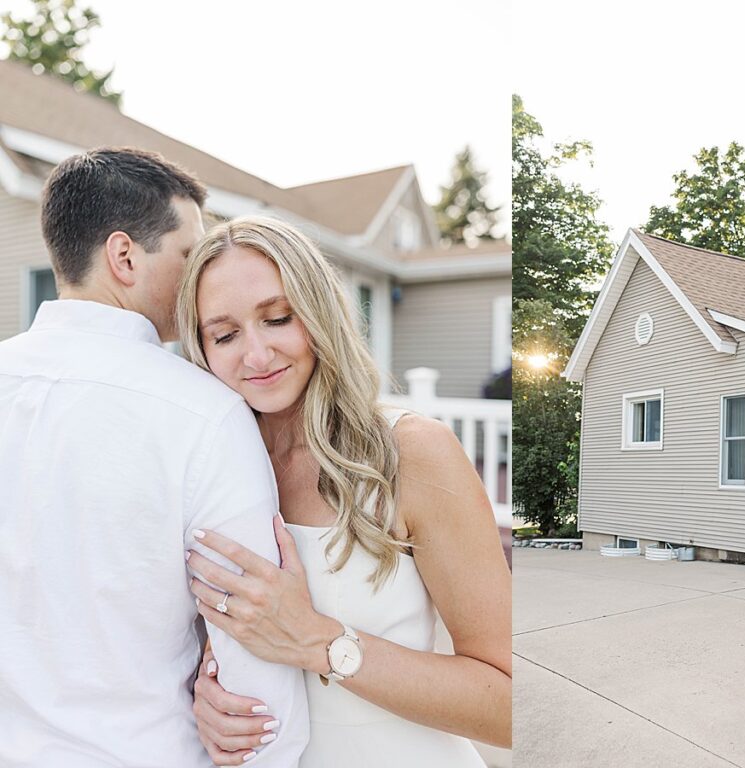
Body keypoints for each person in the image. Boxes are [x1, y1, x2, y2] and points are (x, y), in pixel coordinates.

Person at [0, 149, 308, 766]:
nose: (201, 275)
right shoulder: (205, 414)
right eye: (189, 254)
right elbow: (256, 678)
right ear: (124, 256)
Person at [175, 216, 512, 766]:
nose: (256, 355)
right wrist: (206, 694)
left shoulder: (409, 453)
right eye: (225, 334)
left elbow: (508, 702)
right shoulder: (212, 468)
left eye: (278, 318)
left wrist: (318, 641)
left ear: (319, 314)